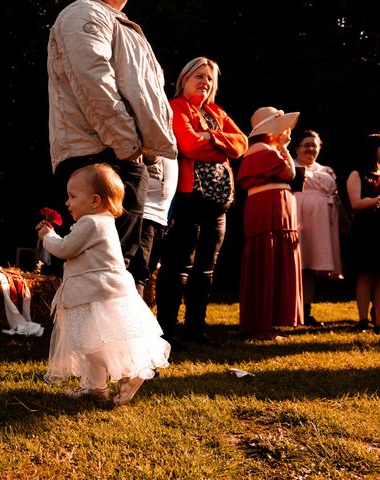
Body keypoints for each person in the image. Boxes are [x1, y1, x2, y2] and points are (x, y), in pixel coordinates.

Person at [47, 0, 177, 268]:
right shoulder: (84, 13)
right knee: (105, 271)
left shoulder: (117, 21)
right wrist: (127, 144)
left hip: (118, 152)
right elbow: (94, 84)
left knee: (125, 270)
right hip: (98, 153)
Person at [37, 164, 170, 406]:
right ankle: (95, 387)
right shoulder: (102, 222)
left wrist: (48, 236)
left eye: (73, 196)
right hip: (100, 290)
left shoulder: (91, 223)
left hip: (93, 293)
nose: (67, 202)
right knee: (92, 341)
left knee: (88, 343)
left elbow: (65, 249)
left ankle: (129, 372)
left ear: (95, 200)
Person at [154, 57, 248, 347]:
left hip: (219, 202)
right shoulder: (176, 107)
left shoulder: (216, 112)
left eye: (209, 78)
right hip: (190, 197)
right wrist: (221, 146)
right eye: (198, 76)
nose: (204, 82)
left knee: (207, 266)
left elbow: (242, 143)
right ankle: (167, 331)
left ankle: (196, 329)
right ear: (183, 79)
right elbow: (188, 145)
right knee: (178, 264)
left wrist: (210, 136)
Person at [237, 106, 303, 340]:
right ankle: (261, 323)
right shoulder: (262, 150)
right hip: (270, 207)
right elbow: (289, 174)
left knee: (271, 258)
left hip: (274, 206)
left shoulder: (265, 149)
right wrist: (284, 147)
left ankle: (268, 321)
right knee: (267, 258)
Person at [292, 130, 342, 327]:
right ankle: (288, 310)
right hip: (297, 218)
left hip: (320, 224)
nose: (310, 149)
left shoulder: (325, 170)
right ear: (296, 148)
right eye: (306, 145)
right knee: (294, 265)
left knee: (310, 269)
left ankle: (306, 311)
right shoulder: (289, 167)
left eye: (314, 145)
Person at [128, 156, 178, 299]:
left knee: (145, 271)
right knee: (137, 272)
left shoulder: (168, 142)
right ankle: (133, 318)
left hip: (159, 218)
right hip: (143, 215)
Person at [345, 134, 380, 333]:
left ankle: (379, 322)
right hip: (366, 229)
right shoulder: (357, 174)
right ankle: (362, 320)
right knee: (366, 275)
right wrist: (377, 200)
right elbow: (355, 203)